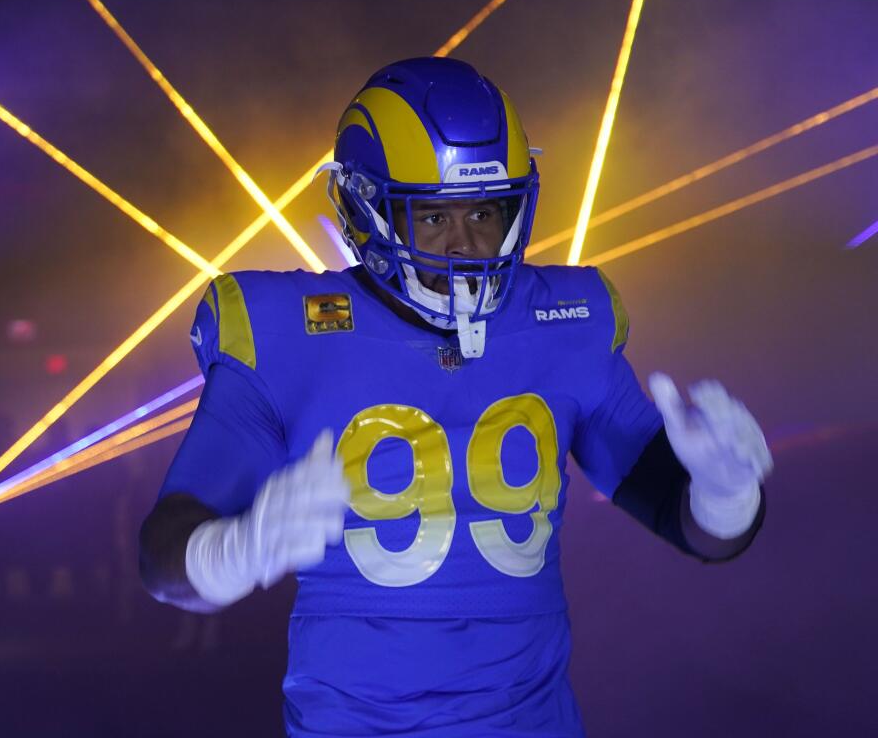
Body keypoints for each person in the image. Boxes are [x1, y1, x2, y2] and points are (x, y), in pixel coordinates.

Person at [139, 57, 771, 737]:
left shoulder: (566, 322)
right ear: (365, 209)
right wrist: (232, 550)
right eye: (432, 216)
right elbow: (163, 554)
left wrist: (726, 497)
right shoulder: (286, 332)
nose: (465, 244)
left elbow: (689, 524)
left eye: (482, 211)